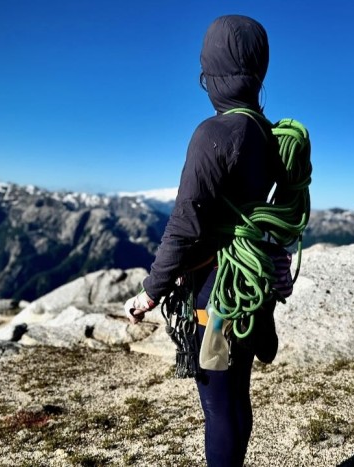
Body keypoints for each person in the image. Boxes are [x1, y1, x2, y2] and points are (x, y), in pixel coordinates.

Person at [123, 15, 287, 466]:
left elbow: (186, 224)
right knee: (237, 395)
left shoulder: (213, 133)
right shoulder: (268, 136)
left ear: (212, 70)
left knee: (217, 405)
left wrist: (150, 291)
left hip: (215, 293)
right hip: (251, 285)